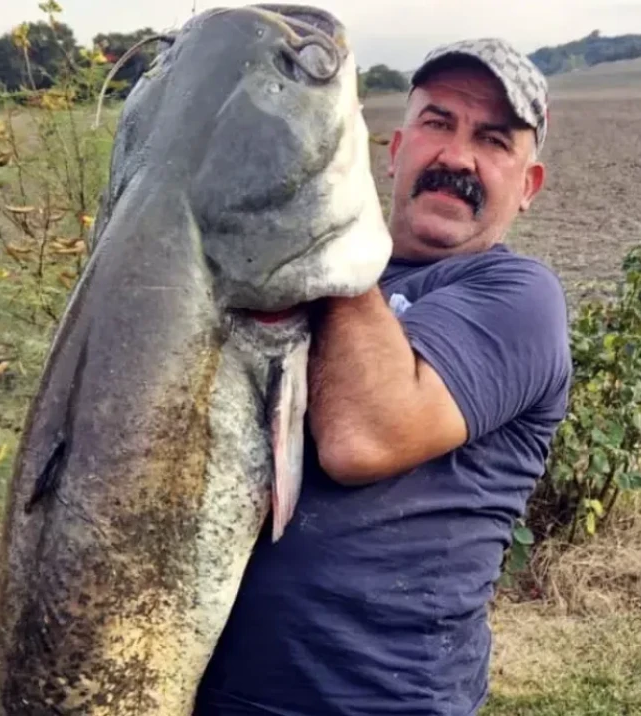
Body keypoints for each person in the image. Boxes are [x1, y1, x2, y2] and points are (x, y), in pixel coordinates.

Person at [194, 37, 572, 716]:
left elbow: (364, 437)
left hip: (377, 699)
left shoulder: (517, 296)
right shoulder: (294, 277)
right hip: (207, 689)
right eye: (438, 124)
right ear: (395, 149)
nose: (457, 157)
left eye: (493, 140)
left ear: (529, 186)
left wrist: (318, 206)